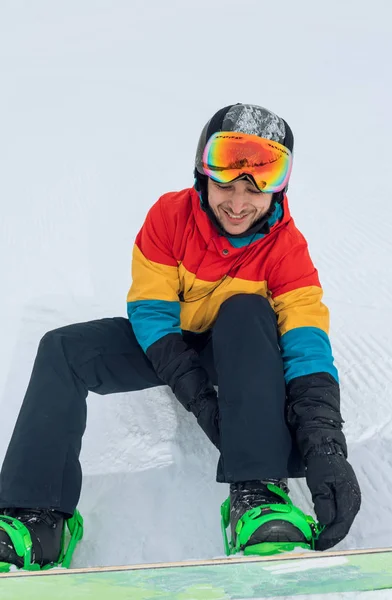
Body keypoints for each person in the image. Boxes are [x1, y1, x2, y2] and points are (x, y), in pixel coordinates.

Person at [0, 103, 361, 569]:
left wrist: (325, 447)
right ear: (202, 174)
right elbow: (151, 312)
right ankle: (36, 517)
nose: (237, 201)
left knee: (246, 310)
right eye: (224, 183)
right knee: (62, 350)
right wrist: (197, 397)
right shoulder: (170, 217)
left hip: (244, 350)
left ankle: (258, 497)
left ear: (279, 189)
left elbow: (307, 344)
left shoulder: (286, 249)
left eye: (255, 188)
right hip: (171, 341)